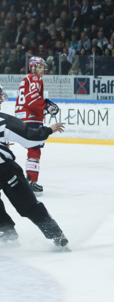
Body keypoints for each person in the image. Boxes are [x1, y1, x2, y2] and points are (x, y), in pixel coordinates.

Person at [0, 84, 69, 249]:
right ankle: (55, 235)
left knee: (27, 205)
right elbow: (30, 139)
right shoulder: (3, 120)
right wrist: (48, 130)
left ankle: (7, 233)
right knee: (28, 205)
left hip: (6, 170)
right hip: (6, 170)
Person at [14, 57, 60, 196]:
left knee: (32, 149)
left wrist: (45, 103)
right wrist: (45, 107)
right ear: (32, 67)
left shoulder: (26, 78)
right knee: (34, 149)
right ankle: (31, 181)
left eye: (42, 67)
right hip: (31, 117)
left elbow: (27, 97)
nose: (42, 70)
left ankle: (29, 180)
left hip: (22, 116)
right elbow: (32, 97)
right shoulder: (35, 78)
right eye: (39, 67)